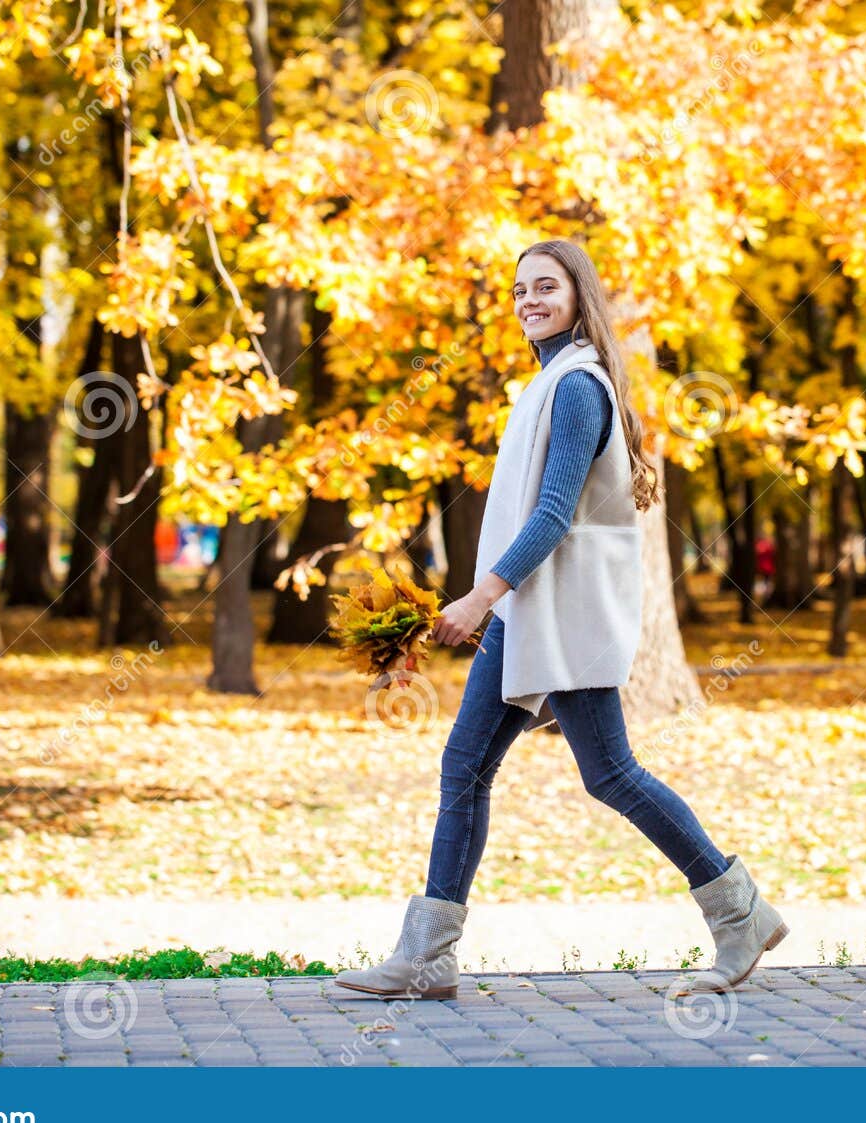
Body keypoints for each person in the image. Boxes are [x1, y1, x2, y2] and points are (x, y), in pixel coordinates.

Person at [334, 239, 786, 1001]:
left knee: (610, 773)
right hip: (530, 611)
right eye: (518, 291)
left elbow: (551, 514)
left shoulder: (576, 386)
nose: (529, 300)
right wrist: (494, 601)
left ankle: (739, 910)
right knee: (467, 767)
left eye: (545, 286)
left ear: (579, 294)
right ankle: (428, 958)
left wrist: (479, 598)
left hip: (559, 615)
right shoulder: (548, 381)